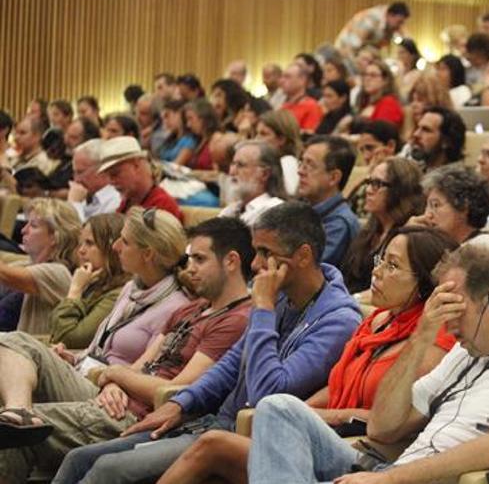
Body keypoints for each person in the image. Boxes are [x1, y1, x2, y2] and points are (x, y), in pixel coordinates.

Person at [56, 202, 362, 484]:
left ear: (303, 256)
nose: (255, 264)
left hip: (250, 436)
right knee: (78, 458)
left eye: (265, 252)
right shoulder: (280, 295)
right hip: (208, 420)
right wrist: (180, 403)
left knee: (108, 470)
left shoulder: (337, 320)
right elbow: (231, 364)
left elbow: (269, 392)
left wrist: (264, 310)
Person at [247, 245, 489, 483]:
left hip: (425, 478)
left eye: (454, 306)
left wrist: (392, 478)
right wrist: (421, 336)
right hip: (391, 469)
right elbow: (383, 427)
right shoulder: (464, 353)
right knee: (278, 407)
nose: (447, 322)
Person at [153, 226, 459, 484]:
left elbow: (393, 422)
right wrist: (302, 413)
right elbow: (337, 385)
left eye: (392, 266)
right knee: (269, 413)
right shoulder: (377, 320)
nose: (376, 272)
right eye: (381, 259)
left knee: (217, 442)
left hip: (369, 454)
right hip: (331, 434)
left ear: (424, 284)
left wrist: (307, 415)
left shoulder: (433, 340)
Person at [0, 217, 252, 481]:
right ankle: (19, 409)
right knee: (14, 341)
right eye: (190, 259)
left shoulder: (236, 320)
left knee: (11, 431)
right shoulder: (190, 309)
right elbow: (140, 365)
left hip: (136, 414)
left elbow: (175, 393)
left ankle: (19, 419)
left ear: (231, 262)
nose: (190, 268)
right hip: (114, 394)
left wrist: (115, 376)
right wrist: (113, 383)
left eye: (200, 260)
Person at [0, 208, 189, 450]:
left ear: (148, 254)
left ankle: (20, 412)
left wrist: (109, 379)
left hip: (114, 397)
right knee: (11, 344)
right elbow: (91, 347)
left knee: (16, 342)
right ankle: (19, 412)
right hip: (91, 375)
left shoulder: (176, 307)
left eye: (125, 241)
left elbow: (146, 370)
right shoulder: (132, 288)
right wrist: (72, 357)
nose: (116, 246)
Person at [47, 213, 129, 349]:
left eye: (89, 243)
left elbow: (68, 339)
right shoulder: (95, 282)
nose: (81, 251)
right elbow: (55, 333)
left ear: (112, 249)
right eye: (81, 243)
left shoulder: (118, 293)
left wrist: (75, 290)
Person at [343, 157, 424, 294]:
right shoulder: (369, 231)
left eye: (377, 184)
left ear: (399, 190)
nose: (368, 190)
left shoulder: (409, 236)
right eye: (368, 182)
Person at [0, 199, 80, 334]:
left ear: (55, 237)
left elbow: (3, 273)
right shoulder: (26, 264)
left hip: (23, 350)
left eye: (34, 226)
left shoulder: (59, 272)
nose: (24, 230)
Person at [296, 136, 360, 266]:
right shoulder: (303, 209)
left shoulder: (339, 224)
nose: (300, 171)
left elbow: (306, 271)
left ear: (333, 177)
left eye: (310, 165)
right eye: (301, 163)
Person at [410, 164, 489, 251]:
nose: (427, 215)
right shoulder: (442, 246)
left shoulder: (484, 245)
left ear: (463, 206)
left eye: (435, 205)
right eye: (428, 206)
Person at [98, 136, 183, 222]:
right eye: (108, 176)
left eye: (115, 174)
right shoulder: (128, 202)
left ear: (136, 165)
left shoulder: (163, 206)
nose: (111, 181)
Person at [218, 141, 286, 226]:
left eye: (240, 165)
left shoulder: (275, 210)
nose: (231, 172)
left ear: (264, 174)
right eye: (233, 164)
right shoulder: (230, 210)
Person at [347, 120, 400, 217]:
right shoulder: (363, 175)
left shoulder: (403, 176)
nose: (366, 156)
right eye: (362, 150)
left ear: (390, 145)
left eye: (370, 148)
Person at [66, 139, 121, 222]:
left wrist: (74, 204)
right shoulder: (85, 195)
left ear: (102, 169)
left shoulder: (115, 201)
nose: (76, 179)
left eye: (80, 172)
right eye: (74, 172)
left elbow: (84, 233)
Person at [335, 1, 410, 59]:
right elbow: (354, 44)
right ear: (390, 15)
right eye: (399, 22)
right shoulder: (372, 18)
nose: (400, 26)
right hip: (346, 51)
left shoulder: (389, 26)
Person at [255, 109, 302, 197]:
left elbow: (288, 197)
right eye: (256, 133)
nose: (256, 139)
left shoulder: (288, 163)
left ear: (281, 139)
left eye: (263, 134)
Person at [405, 105, 466, 171]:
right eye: (418, 128)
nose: (416, 134)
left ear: (446, 141)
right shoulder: (415, 173)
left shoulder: (457, 179)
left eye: (426, 130)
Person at [403, 73, 453, 141]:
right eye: (412, 100)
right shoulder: (410, 132)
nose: (413, 105)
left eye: (420, 100)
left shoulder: (449, 140)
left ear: (435, 102)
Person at [356, 61, 404, 130]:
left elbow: (380, 134)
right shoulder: (364, 102)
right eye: (365, 75)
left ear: (385, 80)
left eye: (373, 75)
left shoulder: (389, 103)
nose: (367, 79)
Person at [280, 62, 325, 133]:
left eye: (287, 77)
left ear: (302, 80)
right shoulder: (284, 106)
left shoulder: (312, 106)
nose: (281, 81)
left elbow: (309, 136)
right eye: (282, 77)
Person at [180, 99, 219, 171]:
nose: (188, 125)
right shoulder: (198, 140)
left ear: (204, 118)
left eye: (191, 119)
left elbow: (218, 174)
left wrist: (192, 174)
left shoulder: (216, 139)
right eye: (187, 120)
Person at [156, 99, 197, 164]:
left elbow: (176, 166)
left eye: (167, 116)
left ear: (179, 114)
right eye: (163, 119)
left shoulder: (189, 141)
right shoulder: (170, 139)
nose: (165, 122)